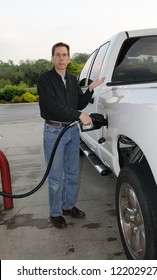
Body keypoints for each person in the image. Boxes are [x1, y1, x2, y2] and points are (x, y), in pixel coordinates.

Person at [37, 42, 104, 229]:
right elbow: (53, 106)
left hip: (72, 131)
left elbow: (78, 104)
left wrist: (90, 89)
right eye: (57, 55)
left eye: (64, 55)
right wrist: (78, 115)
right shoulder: (45, 79)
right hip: (54, 131)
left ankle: (68, 206)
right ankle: (55, 213)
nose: (61, 58)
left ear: (69, 58)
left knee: (73, 173)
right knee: (56, 176)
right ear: (52, 58)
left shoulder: (73, 79)